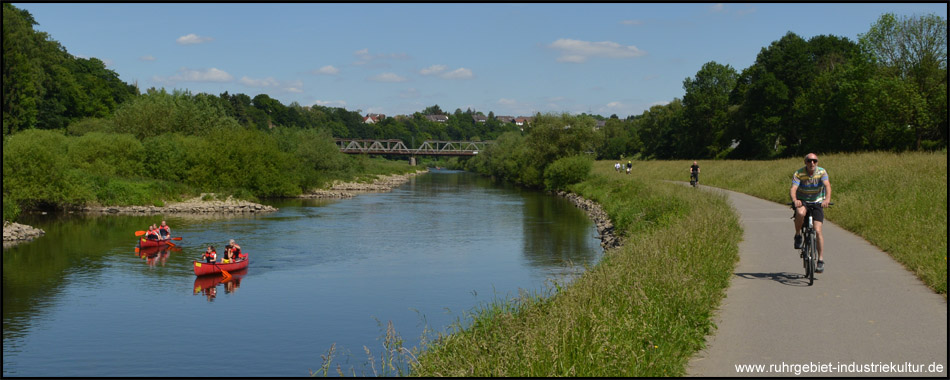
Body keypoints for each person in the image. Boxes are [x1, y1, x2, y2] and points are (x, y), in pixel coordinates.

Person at [790, 153, 832, 273]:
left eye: (814, 161)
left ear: (817, 162)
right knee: (800, 213)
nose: (812, 163)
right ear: (805, 162)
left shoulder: (822, 172)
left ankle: (820, 260)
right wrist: (795, 200)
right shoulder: (799, 173)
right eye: (809, 161)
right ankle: (798, 235)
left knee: (818, 230)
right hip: (803, 201)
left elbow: (827, 186)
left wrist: (827, 200)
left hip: (817, 202)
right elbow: (793, 188)